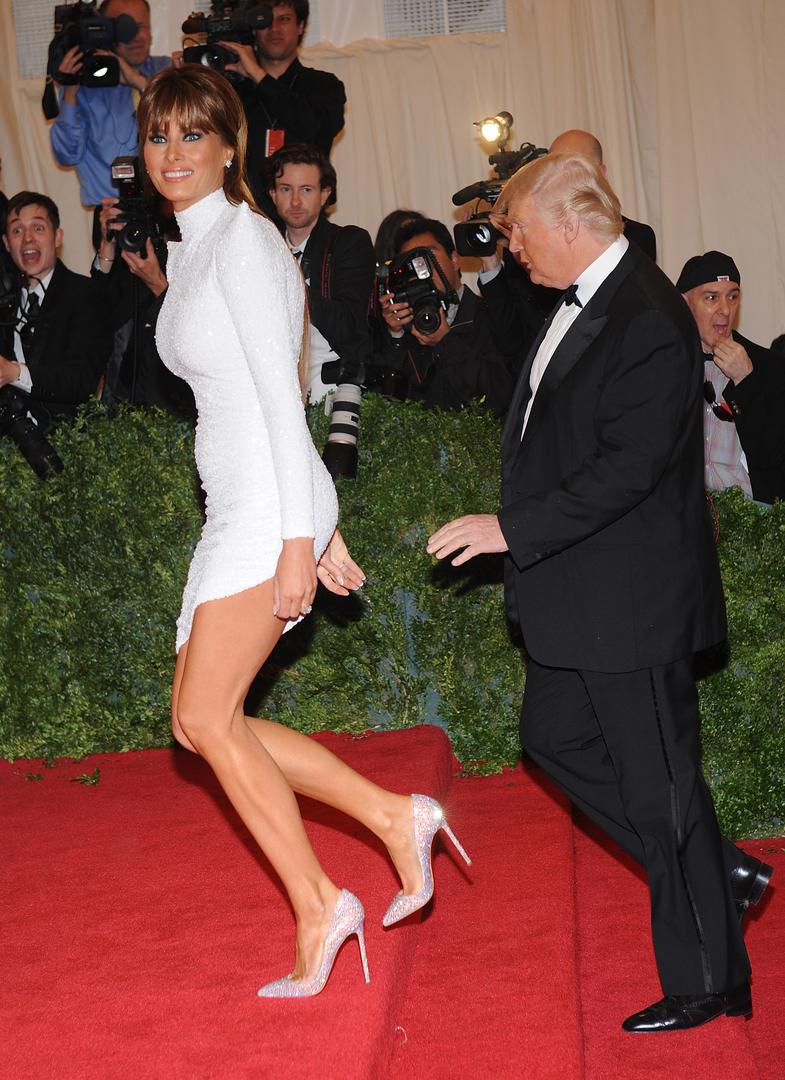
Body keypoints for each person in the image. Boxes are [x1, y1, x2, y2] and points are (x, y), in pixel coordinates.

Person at [140, 65, 470, 997]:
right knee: (200, 725)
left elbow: (285, 402)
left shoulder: (244, 241)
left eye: (192, 135)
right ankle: (393, 816)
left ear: (230, 147)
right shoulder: (196, 249)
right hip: (242, 505)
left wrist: (300, 536)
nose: (173, 152)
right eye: (159, 135)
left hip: (265, 507)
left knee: (204, 717)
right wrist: (312, 525)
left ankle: (320, 903)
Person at [427, 152, 772, 1033]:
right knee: (552, 738)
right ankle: (720, 870)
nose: (510, 247)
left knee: (659, 794)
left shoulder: (647, 314)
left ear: (570, 225)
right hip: (582, 595)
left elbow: (630, 466)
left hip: (630, 600)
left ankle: (708, 983)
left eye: (519, 230)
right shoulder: (581, 296)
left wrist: (511, 529)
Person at [478, 128, 657, 366]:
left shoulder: (633, 239)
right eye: (552, 166)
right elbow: (510, 329)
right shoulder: (520, 242)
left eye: (572, 166)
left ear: (600, 173)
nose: (559, 177)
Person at [266, 143, 374, 476]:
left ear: (325, 194)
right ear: (272, 194)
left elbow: (350, 327)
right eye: (286, 189)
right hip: (270, 395)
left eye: (306, 190)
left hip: (333, 393)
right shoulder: (261, 246)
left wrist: (290, 279)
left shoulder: (348, 242)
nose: (295, 201)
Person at [374, 218, 516, 415]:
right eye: (413, 262)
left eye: (428, 255)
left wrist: (445, 342)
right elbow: (387, 407)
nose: (422, 268)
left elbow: (499, 398)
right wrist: (395, 337)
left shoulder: (489, 314)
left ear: (454, 259)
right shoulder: (408, 327)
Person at [677, 251, 785, 504]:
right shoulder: (667, 362)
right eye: (711, 297)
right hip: (683, 513)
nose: (725, 310)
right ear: (685, 303)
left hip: (750, 514)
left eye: (732, 296)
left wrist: (746, 382)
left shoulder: (768, 366)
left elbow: (771, 456)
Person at [217, 1, 346, 209]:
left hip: (305, 216)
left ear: (301, 26)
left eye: (284, 19)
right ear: (253, 28)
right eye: (264, 20)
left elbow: (315, 129)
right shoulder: (232, 91)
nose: (274, 28)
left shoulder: (324, 85)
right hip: (244, 213)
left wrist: (259, 76)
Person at [0, 191, 110, 427]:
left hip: (67, 439)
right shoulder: (4, 302)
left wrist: (14, 373)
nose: (27, 239)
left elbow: (81, 381)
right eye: (17, 230)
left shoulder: (85, 294)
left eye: (38, 228)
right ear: (7, 243)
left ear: (57, 237)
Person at [49, 0, 171, 207]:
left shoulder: (166, 71)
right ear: (106, 31)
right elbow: (67, 155)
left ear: (151, 31)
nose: (135, 36)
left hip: (169, 208)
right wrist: (70, 90)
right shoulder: (84, 84)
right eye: (124, 28)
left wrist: (138, 82)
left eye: (141, 26)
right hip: (111, 212)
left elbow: (184, 121)